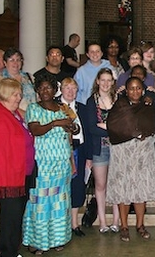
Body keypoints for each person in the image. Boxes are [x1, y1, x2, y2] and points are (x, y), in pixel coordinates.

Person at [23, 74, 78, 254]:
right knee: (40, 201)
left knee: (59, 202)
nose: (45, 91)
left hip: (62, 163)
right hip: (43, 164)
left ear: (55, 90)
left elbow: (73, 127)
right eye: (41, 88)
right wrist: (55, 123)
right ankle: (36, 241)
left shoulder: (63, 107)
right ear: (37, 91)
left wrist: (71, 127)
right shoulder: (33, 108)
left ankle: (57, 238)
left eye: (49, 88)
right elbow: (35, 129)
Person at [0, 78, 33, 257]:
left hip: (22, 174)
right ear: (4, 94)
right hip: (9, 180)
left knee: (16, 218)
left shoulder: (13, 114)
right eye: (15, 94)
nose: (19, 98)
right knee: (10, 219)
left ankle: (12, 250)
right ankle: (6, 253)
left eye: (19, 94)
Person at [106, 77, 155, 242]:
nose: (135, 92)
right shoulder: (119, 106)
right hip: (123, 153)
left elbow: (152, 125)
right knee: (124, 190)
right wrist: (135, 133)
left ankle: (140, 225)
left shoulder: (147, 106)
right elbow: (113, 126)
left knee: (140, 190)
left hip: (143, 153)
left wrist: (144, 133)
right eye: (131, 88)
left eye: (138, 88)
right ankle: (124, 226)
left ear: (142, 90)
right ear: (126, 90)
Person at [81, 68, 120, 234]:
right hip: (100, 148)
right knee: (101, 185)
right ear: (97, 81)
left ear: (112, 82)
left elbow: (123, 126)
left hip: (118, 148)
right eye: (102, 80)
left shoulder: (119, 100)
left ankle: (117, 220)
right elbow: (91, 129)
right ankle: (103, 221)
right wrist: (113, 129)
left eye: (108, 80)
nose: (105, 83)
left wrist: (106, 126)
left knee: (116, 185)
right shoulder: (92, 101)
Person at [59, 77, 89, 237]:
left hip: (80, 150)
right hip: (61, 152)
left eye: (73, 89)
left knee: (77, 187)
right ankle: (61, 223)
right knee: (62, 187)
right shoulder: (56, 107)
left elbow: (88, 133)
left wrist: (89, 156)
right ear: (61, 90)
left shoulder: (82, 108)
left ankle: (74, 223)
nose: (71, 92)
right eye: (67, 88)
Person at [0, 47, 37, 117]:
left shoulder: (29, 77)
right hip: (12, 117)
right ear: (5, 62)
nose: (15, 63)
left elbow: (38, 98)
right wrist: (24, 115)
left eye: (18, 60)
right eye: (12, 60)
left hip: (33, 118)